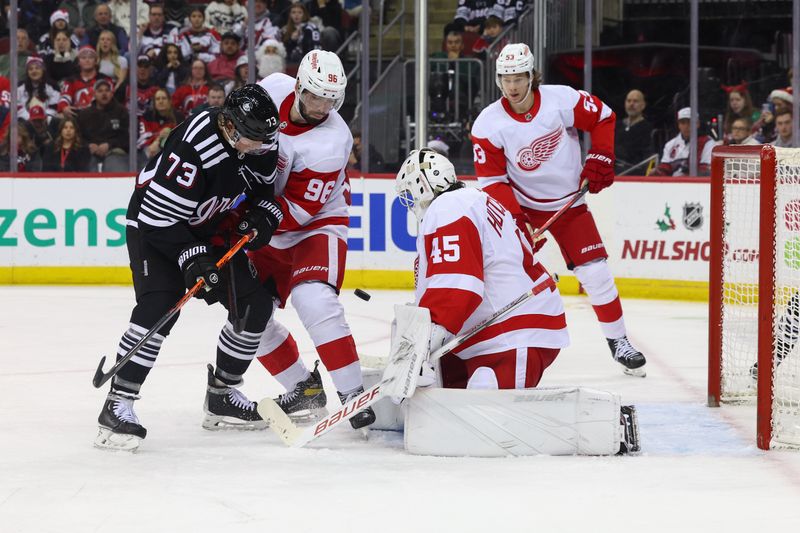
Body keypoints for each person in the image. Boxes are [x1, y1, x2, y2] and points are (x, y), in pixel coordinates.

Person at [94, 84, 284, 451]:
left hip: (209, 223)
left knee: (254, 306)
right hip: (157, 225)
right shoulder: (196, 143)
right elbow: (156, 217)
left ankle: (222, 395)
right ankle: (118, 402)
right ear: (229, 126)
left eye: (263, 141)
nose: (258, 149)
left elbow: (263, 190)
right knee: (161, 305)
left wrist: (264, 215)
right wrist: (193, 259)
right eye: (251, 140)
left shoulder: (261, 137)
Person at [470, 43, 647, 377]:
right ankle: (499, 344)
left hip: (569, 203)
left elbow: (604, 117)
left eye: (519, 77)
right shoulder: (487, 124)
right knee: (508, 278)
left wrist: (601, 155)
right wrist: (516, 220)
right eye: (506, 78)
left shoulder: (560, 100)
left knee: (596, 273)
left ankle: (619, 341)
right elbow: (493, 181)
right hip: (521, 207)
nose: (512, 86)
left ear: (531, 75)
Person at [251, 50, 375, 430]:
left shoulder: (332, 141)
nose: (322, 106)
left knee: (313, 299)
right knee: (248, 320)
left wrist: (248, 222)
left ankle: (353, 393)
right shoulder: (272, 89)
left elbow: (300, 212)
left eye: (331, 100)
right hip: (267, 216)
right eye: (315, 96)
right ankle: (303, 388)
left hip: (317, 221)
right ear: (299, 86)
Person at [395, 148, 568, 389]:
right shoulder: (473, 199)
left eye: (409, 192)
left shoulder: (448, 206)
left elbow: (456, 286)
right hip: (498, 331)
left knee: (485, 409)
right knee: (453, 402)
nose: (410, 202)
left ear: (422, 184)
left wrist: (418, 351)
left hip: (510, 334)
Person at [76, 78, 129, 172]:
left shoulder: (121, 112)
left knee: (115, 165)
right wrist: (88, 145)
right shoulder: (84, 114)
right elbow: (78, 136)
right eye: (100, 91)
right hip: (90, 152)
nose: (104, 94)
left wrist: (110, 145)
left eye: (107, 90)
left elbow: (127, 137)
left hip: (114, 151)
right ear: (94, 94)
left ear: (112, 93)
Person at [651, 107, 714, 177]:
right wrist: (658, 172)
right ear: (678, 125)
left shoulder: (707, 143)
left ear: (697, 124)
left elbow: (705, 171)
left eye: (690, 122)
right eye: (683, 123)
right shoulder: (670, 145)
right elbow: (664, 168)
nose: (686, 126)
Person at [57, 45, 113, 119]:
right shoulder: (71, 81)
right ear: (79, 62)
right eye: (83, 58)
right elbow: (64, 98)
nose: (87, 60)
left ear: (96, 61)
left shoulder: (105, 80)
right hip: (77, 116)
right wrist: (64, 108)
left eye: (90, 57)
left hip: (100, 116)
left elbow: (110, 100)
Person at [137, 87, 184, 164]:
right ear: (154, 102)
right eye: (158, 99)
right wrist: (158, 138)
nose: (161, 101)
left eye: (164, 98)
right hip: (149, 151)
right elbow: (141, 140)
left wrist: (161, 139)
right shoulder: (147, 117)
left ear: (169, 101)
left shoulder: (178, 117)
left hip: (172, 153)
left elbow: (182, 138)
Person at [614, 89, 654, 173]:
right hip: (612, 171)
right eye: (629, 101)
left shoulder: (647, 128)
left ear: (643, 105)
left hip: (634, 173)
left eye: (635, 101)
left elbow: (648, 156)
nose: (631, 104)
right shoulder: (616, 125)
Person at [17, 56, 60, 120]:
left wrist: (44, 119)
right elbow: (17, 106)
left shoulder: (53, 86)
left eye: (37, 68)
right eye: (30, 69)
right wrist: (29, 118)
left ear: (43, 70)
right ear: (27, 73)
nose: (34, 71)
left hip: (46, 121)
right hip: (25, 122)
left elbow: (53, 107)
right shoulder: (19, 87)